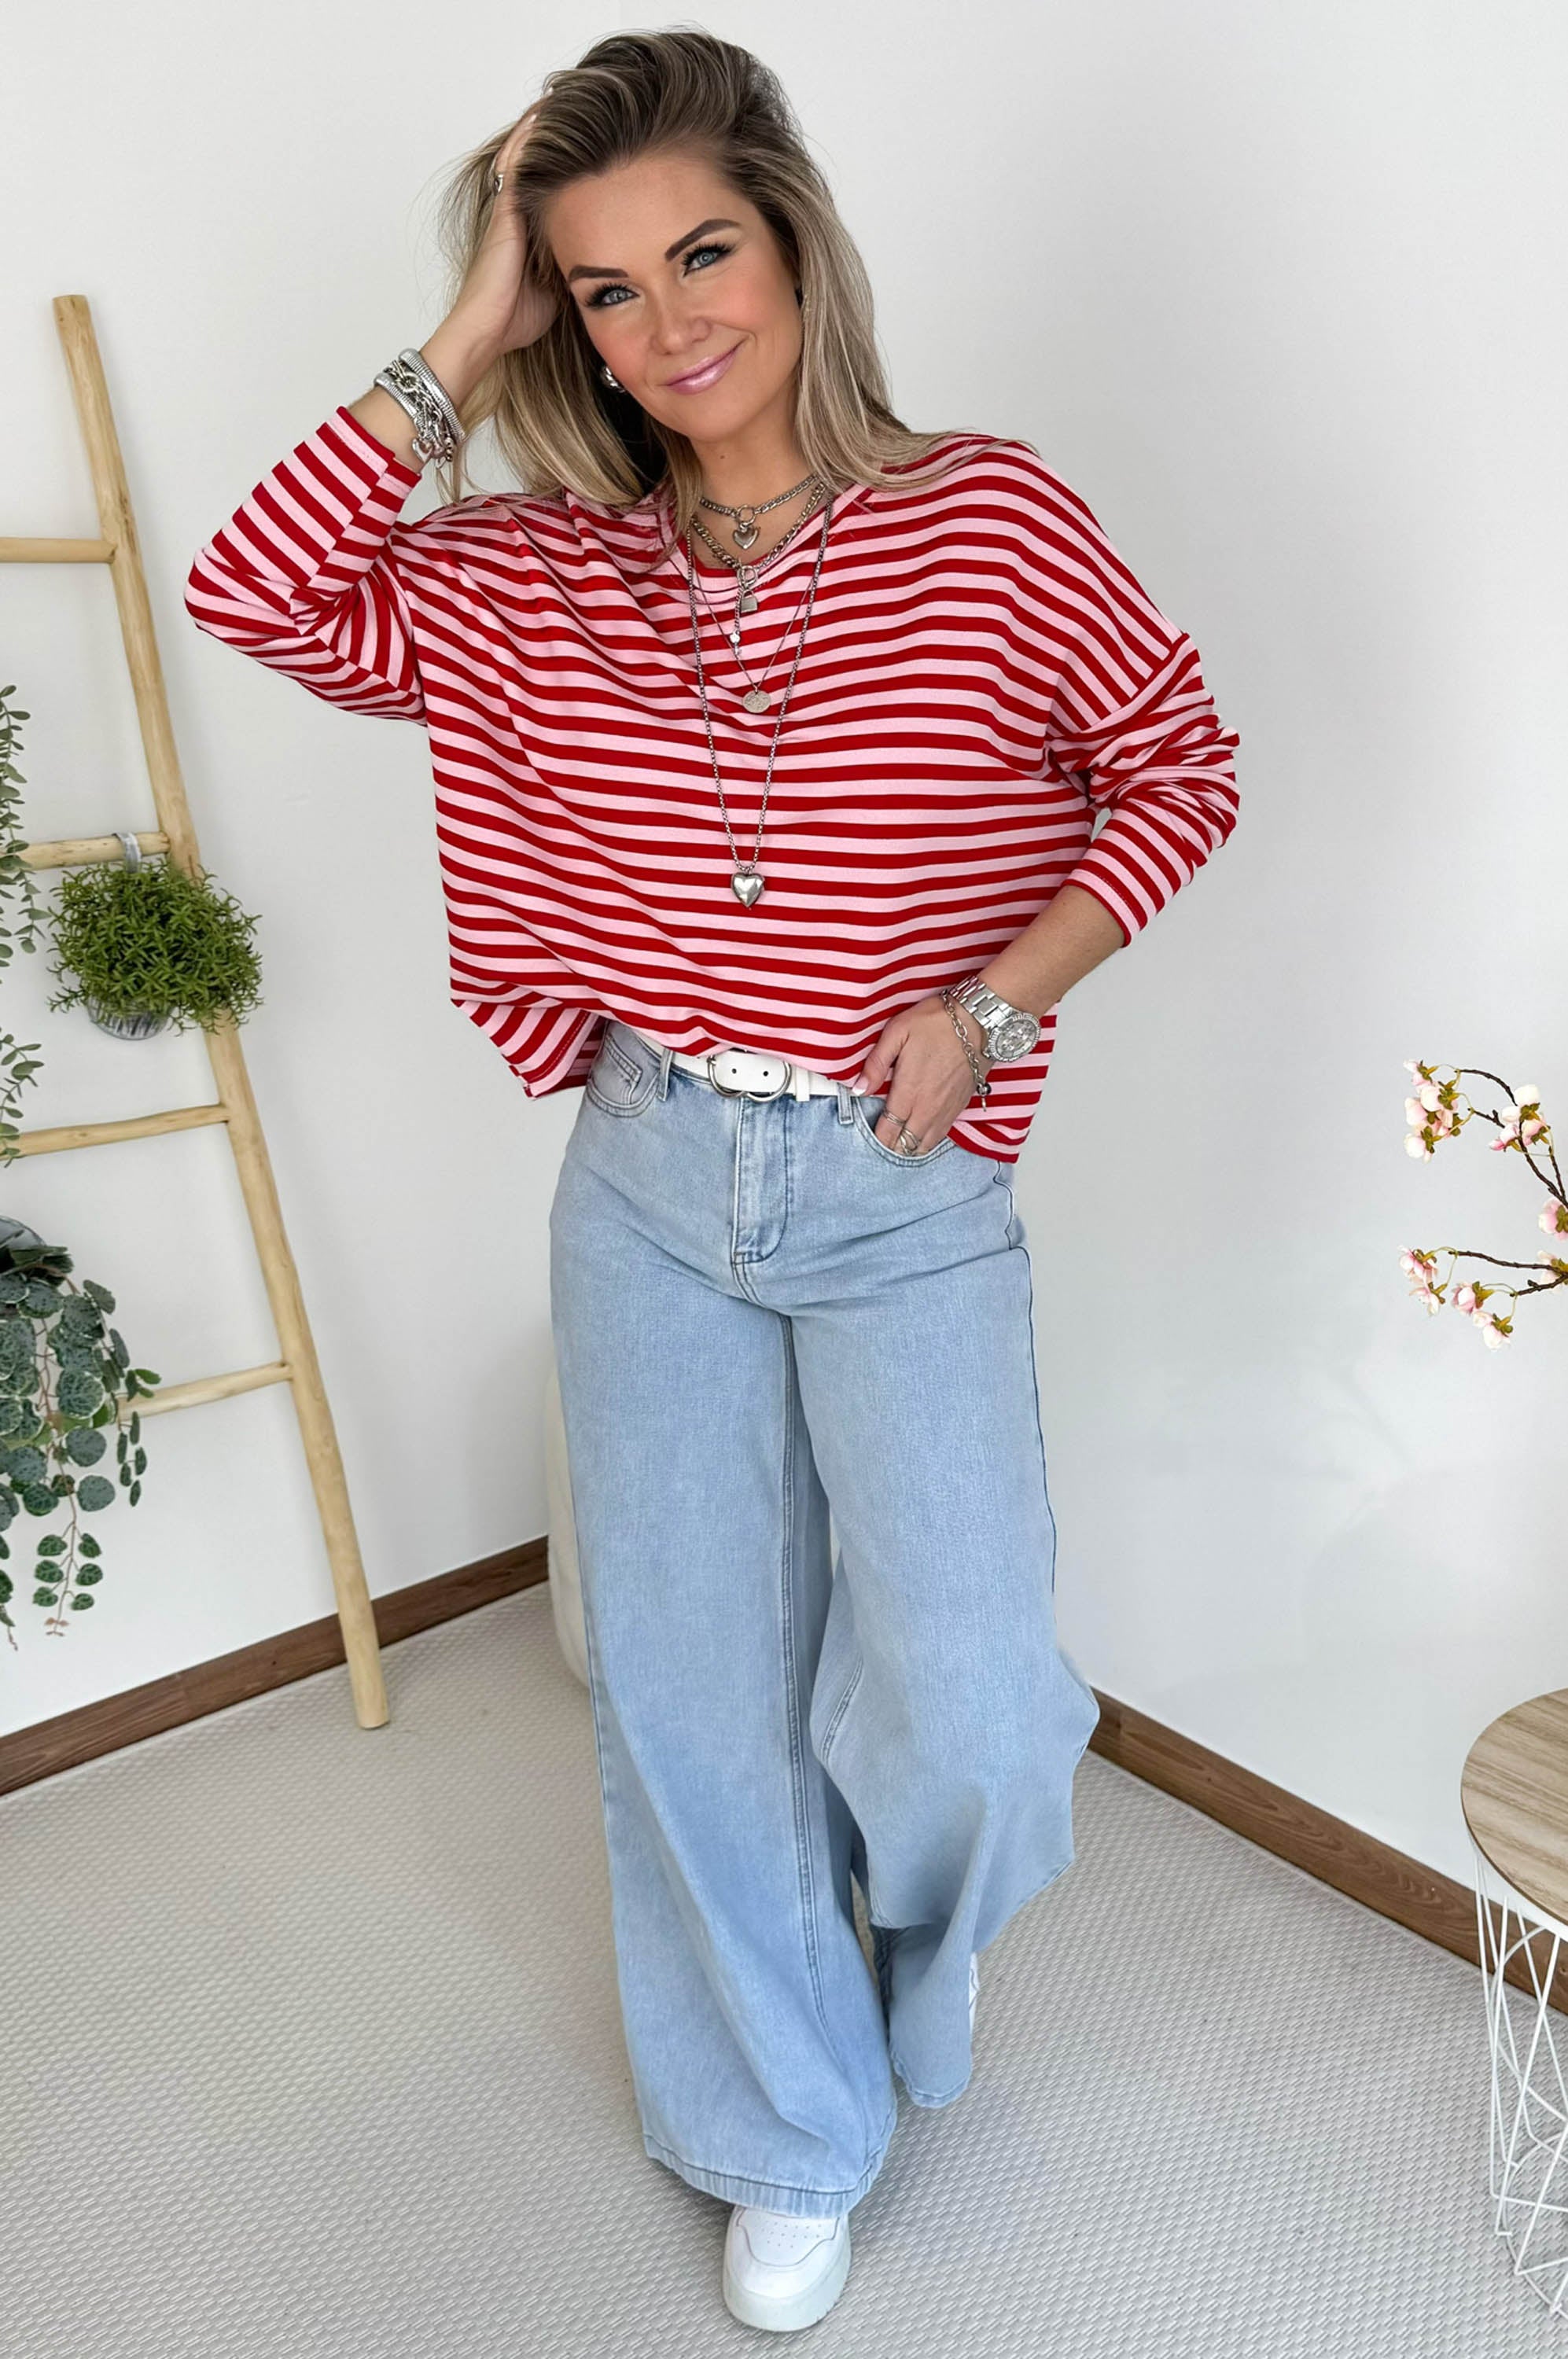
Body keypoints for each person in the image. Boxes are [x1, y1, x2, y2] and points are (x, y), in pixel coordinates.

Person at [184, 28, 1241, 2334]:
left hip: (899, 1182)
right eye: (601, 289)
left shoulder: (990, 520)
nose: (668, 324)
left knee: (972, 1708)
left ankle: (887, 1960)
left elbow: (1175, 769)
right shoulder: (532, 571)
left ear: (795, 245)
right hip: (650, 1173)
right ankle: (783, 2123)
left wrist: (992, 1007)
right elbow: (254, 591)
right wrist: (465, 324)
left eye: (702, 253)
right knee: (685, 1687)